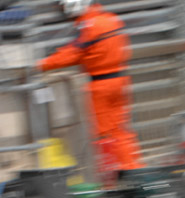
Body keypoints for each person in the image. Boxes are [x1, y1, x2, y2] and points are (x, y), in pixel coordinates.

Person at [37, 0, 141, 171]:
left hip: (101, 84)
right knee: (120, 130)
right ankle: (133, 168)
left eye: (64, 8)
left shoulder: (89, 26)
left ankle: (112, 175)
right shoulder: (110, 19)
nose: (64, 13)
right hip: (121, 80)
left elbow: (72, 54)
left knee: (103, 133)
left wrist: (41, 64)